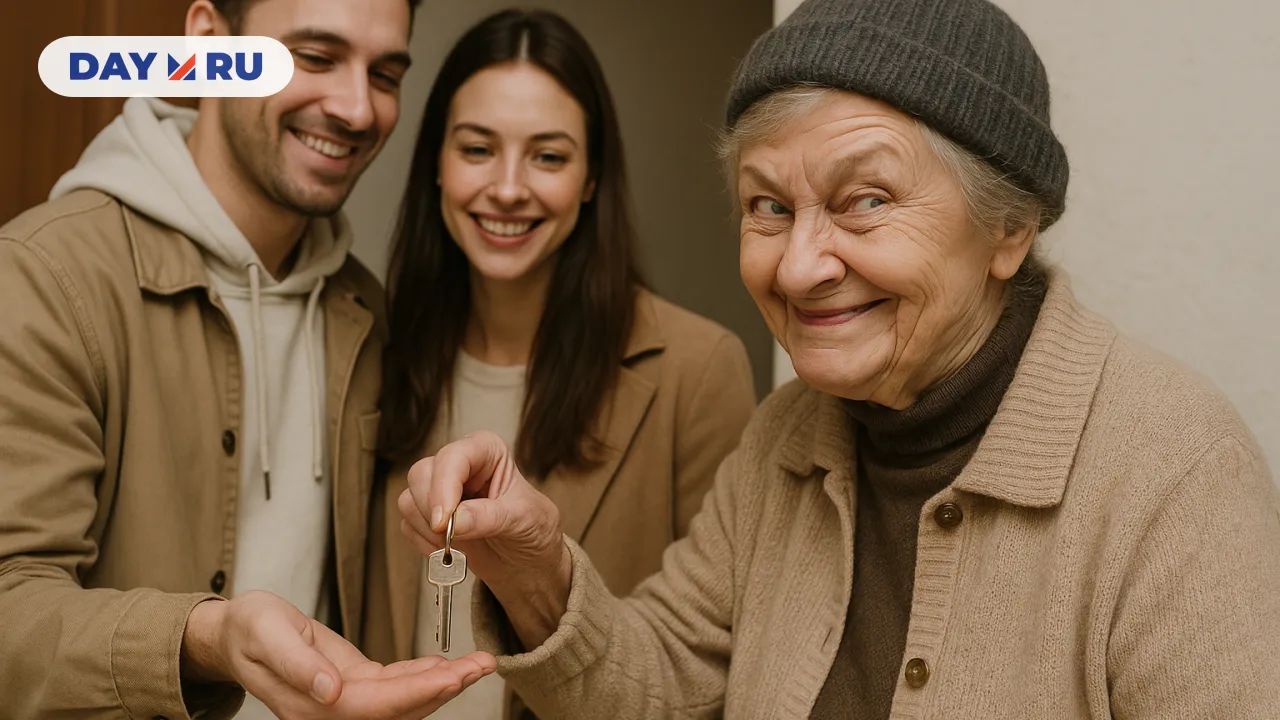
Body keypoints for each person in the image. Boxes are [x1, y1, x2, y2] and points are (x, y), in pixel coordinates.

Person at [397, 0, 1280, 717]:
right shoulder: (787, 436)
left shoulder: (1172, 469)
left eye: (865, 200)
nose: (798, 265)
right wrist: (536, 569)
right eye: (767, 206)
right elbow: (663, 684)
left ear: (1008, 227)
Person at [0, 0, 493, 717]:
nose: (357, 109)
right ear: (207, 44)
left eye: (385, 73)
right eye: (316, 58)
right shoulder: (48, 275)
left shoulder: (365, 312)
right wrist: (204, 638)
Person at [360, 8, 757, 718]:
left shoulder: (698, 372)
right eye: (477, 149)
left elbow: (719, 665)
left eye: (548, 156)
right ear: (436, 169)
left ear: (592, 178)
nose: (509, 188)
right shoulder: (372, 354)